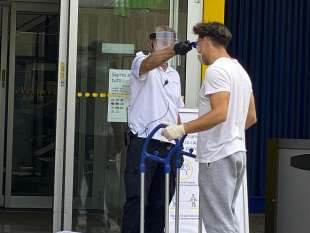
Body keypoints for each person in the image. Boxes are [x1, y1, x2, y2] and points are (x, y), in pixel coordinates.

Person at [162, 22, 257, 233]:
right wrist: (232, 132)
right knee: (227, 217)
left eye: (198, 44)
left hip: (218, 155)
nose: (198, 51)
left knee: (218, 223)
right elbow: (251, 117)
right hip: (237, 151)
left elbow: (219, 113)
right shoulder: (239, 70)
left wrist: (182, 128)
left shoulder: (217, 70)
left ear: (205, 41)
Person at [122, 25, 192, 233]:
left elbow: (177, 109)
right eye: (162, 40)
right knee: (137, 201)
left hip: (168, 144)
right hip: (144, 141)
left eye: (171, 40)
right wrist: (174, 49)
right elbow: (149, 63)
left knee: (161, 204)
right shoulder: (141, 62)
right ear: (152, 43)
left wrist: (181, 141)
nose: (167, 44)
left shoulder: (175, 75)